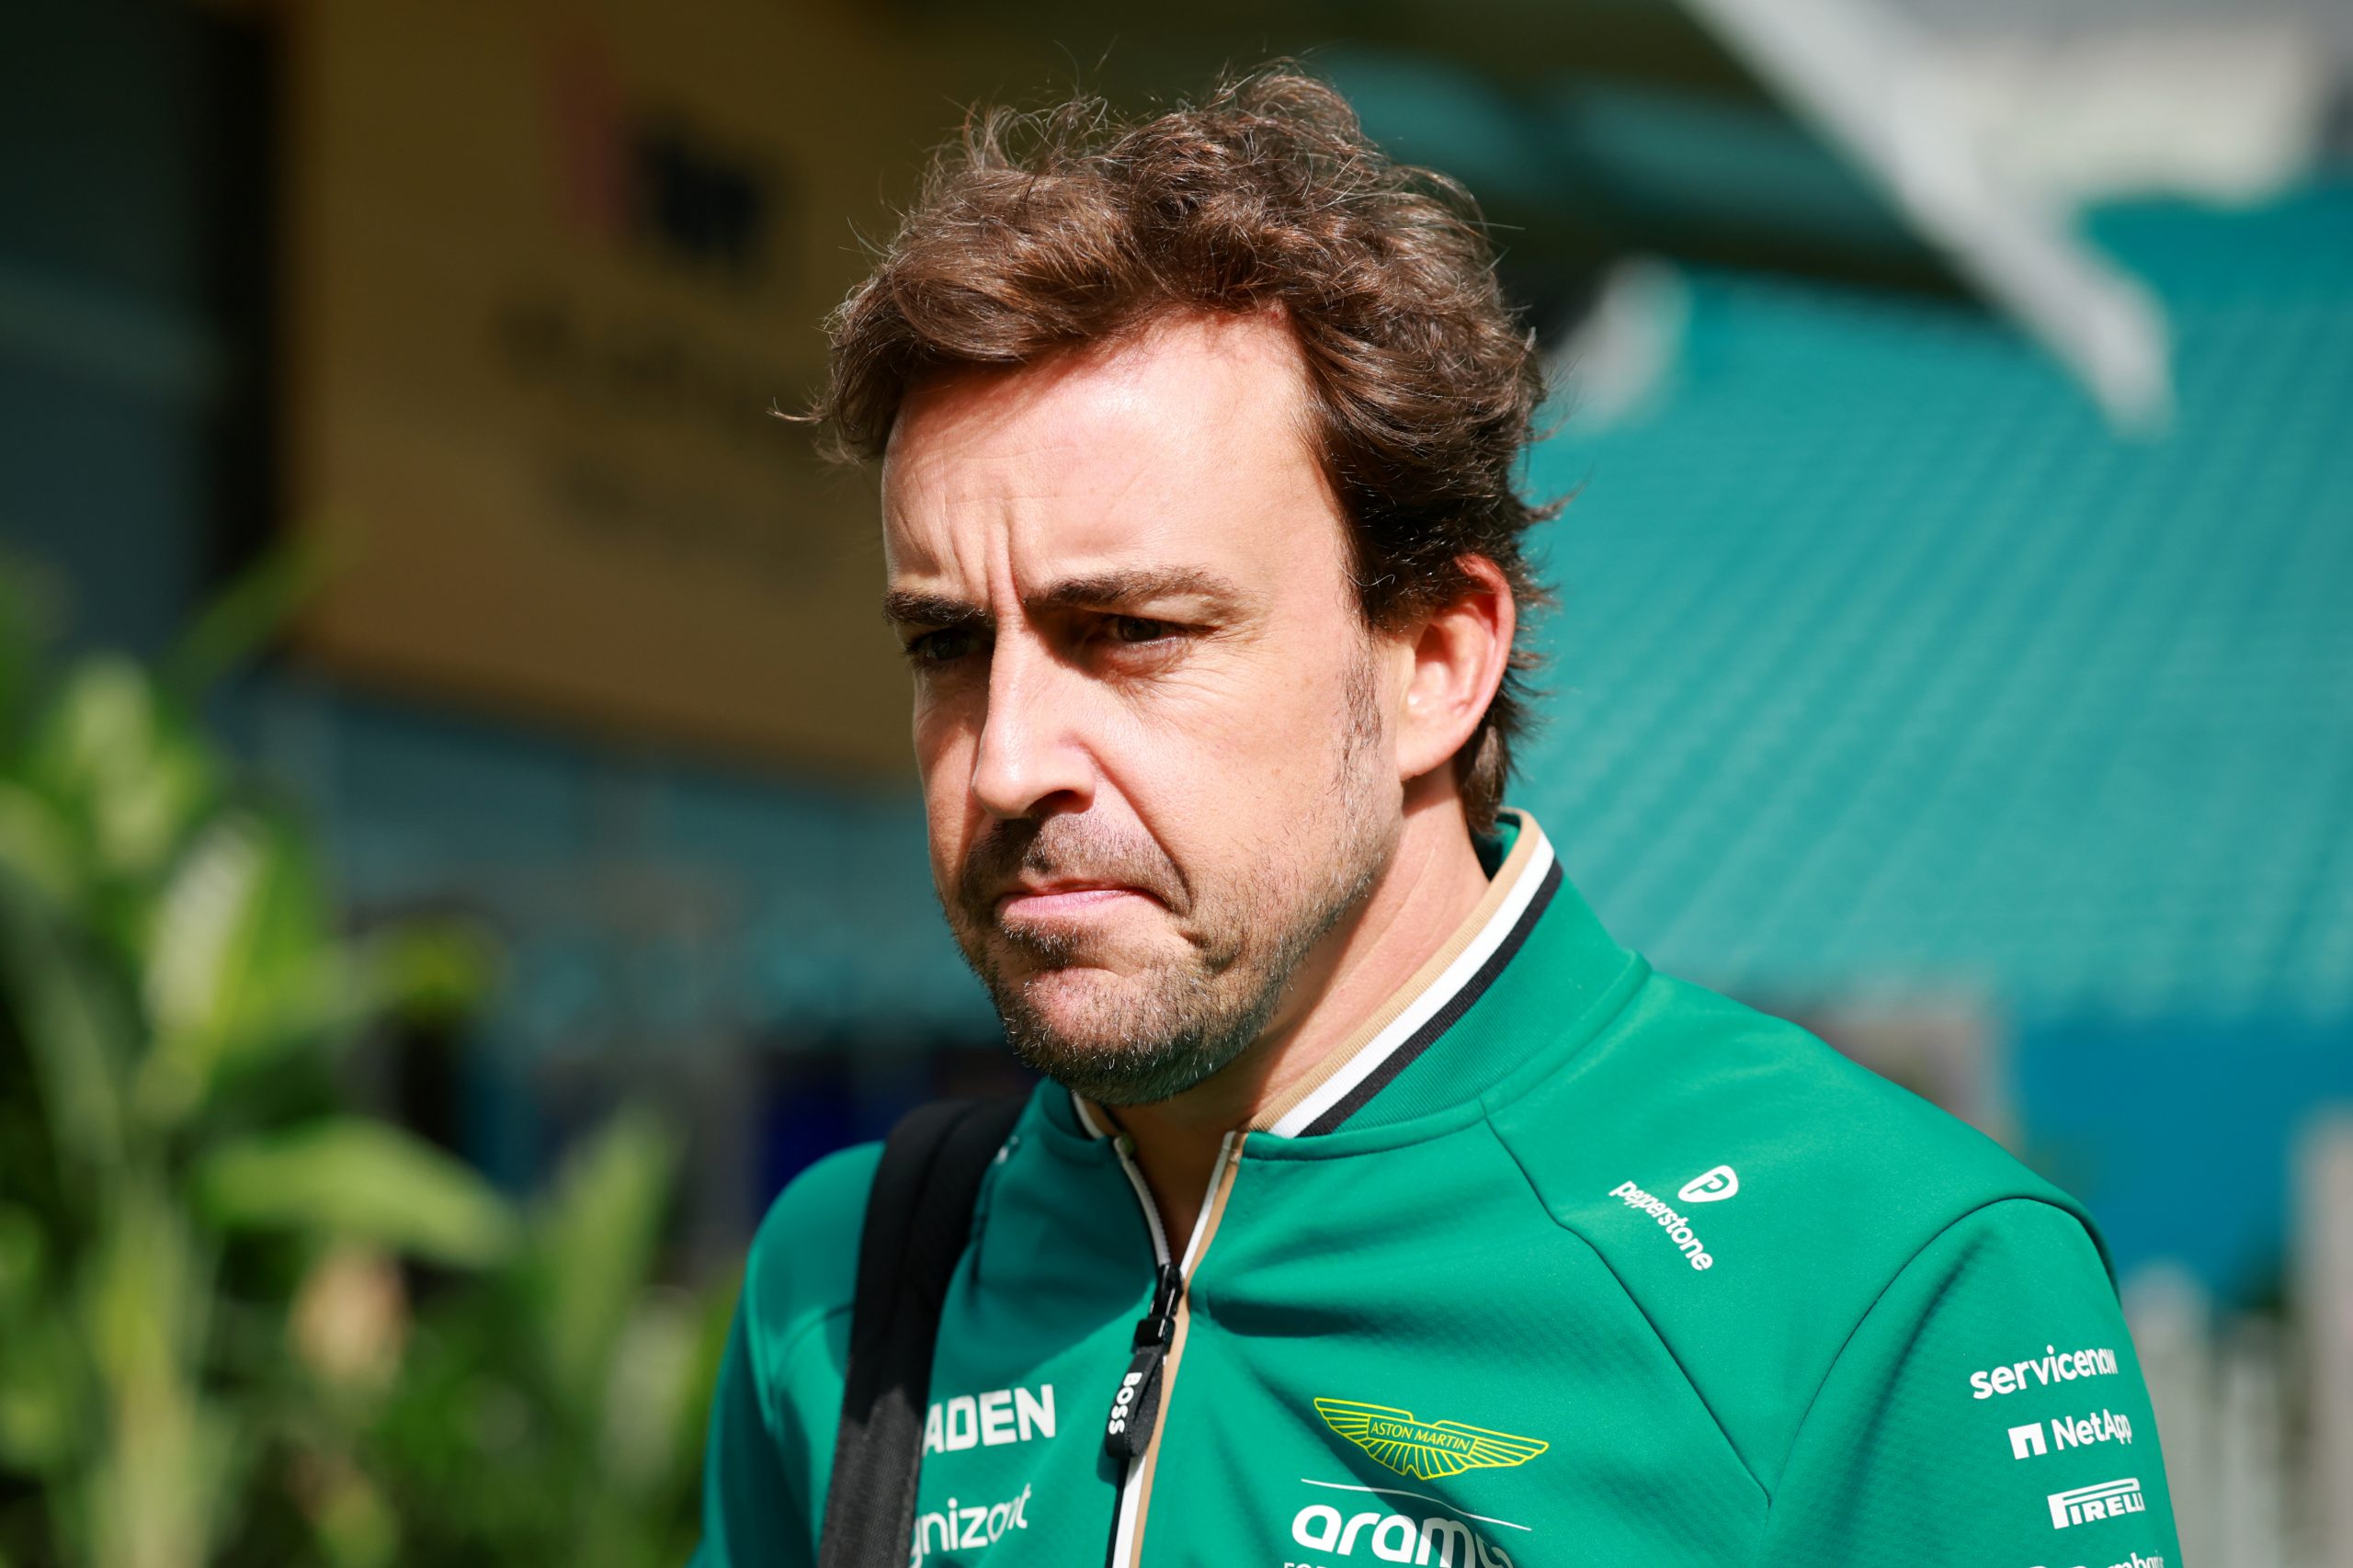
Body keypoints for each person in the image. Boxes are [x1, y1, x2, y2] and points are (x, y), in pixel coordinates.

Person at [696, 69, 2181, 1568]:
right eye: (948, 644)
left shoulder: (1889, 1275)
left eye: (1133, 628)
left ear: (1435, 660)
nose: (1007, 758)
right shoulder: (845, 1288)